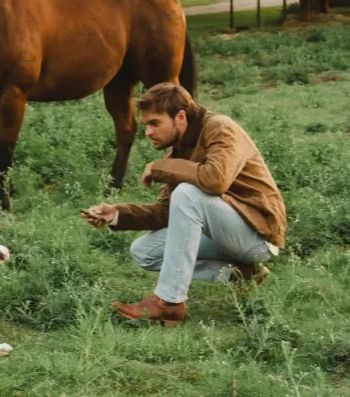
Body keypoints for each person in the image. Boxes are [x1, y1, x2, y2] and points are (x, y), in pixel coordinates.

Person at [80, 82, 286, 326]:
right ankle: (242, 274)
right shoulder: (176, 150)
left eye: (155, 123)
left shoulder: (220, 128)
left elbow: (216, 179)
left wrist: (160, 167)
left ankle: (168, 302)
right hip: (223, 234)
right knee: (144, 252)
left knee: (187, 193)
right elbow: (166, 213)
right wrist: (116, 214)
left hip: (256, 235)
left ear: (180, 116)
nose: (147, 132)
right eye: (146, 125)